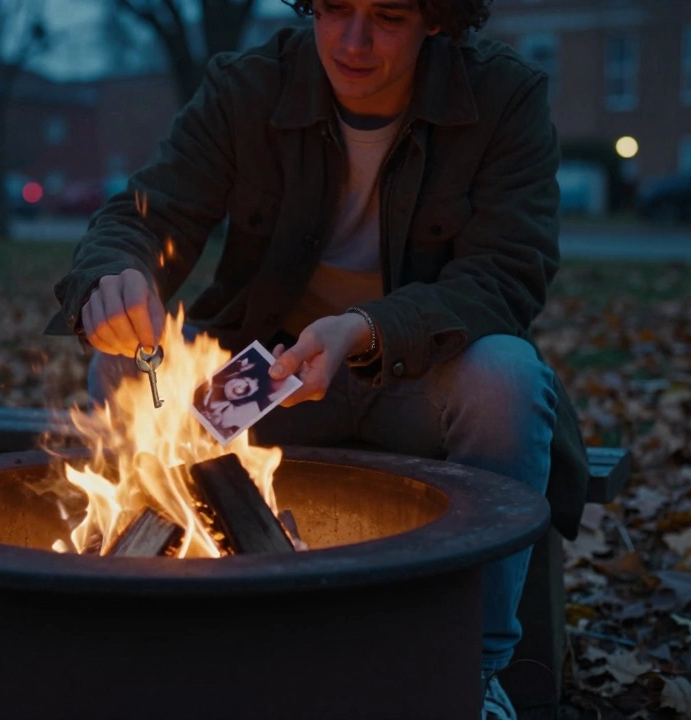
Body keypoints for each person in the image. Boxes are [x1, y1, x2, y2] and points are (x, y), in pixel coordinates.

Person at [45, 1, 591, 716]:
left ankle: (472, 675)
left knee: (509, 379)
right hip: (267, 381)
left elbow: (504, 276)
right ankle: (152, 637)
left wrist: (363, 331)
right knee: (119, 368)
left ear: (436, 19)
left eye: (388, 16)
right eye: (334, 9)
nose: (354, 41)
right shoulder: (253, 85)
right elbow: (144, 216)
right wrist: (115, 279)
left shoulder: (500, 97)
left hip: (416, 378)